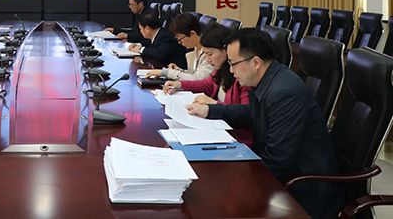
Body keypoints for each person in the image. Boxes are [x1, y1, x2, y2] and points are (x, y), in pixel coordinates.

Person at [186, 28, 344, 218]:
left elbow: (277, 160)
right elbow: (250, 113)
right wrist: (210, 110)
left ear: (256, 62)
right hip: (281, 176)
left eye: (233, 63)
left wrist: (234, 183)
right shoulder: (265, 79)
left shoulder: (284, 92)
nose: (231, 70)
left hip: (303, 190)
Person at [163, 23, 252, 145]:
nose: (208, 59)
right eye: (206, 55)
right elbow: (206, 85)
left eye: (210, 54)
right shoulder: (221, 70)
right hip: (218, 130)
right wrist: (179, 84)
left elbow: (246, 114)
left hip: (236, 138)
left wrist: (214, 104)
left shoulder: (242, 76)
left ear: (225, 50)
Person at [147, 12, 214, 81]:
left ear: (192, 34)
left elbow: (197, 79)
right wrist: (179, 71)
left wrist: (166, 73)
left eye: (180, 39)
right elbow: (193, 74)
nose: (179, 42)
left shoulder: (209, 53)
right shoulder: (195, 50)